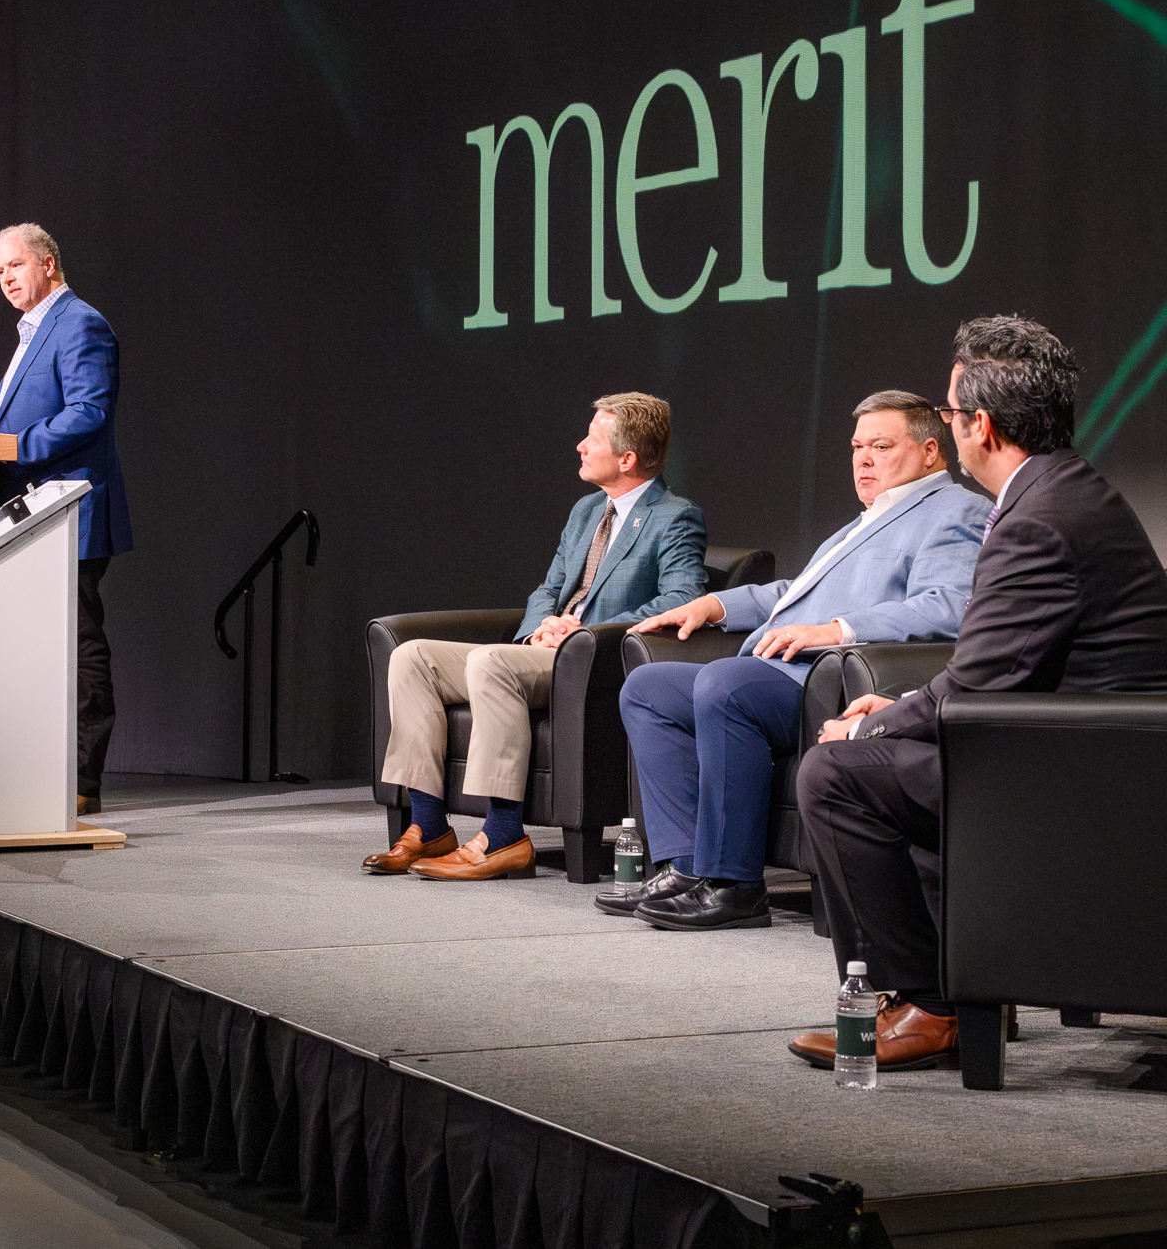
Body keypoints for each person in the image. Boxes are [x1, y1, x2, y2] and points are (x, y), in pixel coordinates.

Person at [788, 317, 1167, 1072]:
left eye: (952, 412)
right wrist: (898, 709)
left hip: (1091, 779)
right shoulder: (1065, 489)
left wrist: (871, 728)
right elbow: (1000, 665)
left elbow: (980, 682)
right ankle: (951, 987)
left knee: (834, 775)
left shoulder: (1038, 521)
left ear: (980, 426)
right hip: (1087, 749)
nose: (951, 424)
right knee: (884, 752)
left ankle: (927, 1007)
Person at [609, 392, 987, 930]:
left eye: (881, 447)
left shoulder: (956, 510)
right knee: (647, 688)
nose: (863, 459)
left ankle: (734, 885)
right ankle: (685, 867)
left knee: (725, 684)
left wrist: (837, 629)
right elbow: (797, 592)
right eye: (857, 447)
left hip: (828, 679)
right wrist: (715, 605)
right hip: (782, 669)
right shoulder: (865, 519)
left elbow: (946, 605)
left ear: (930, 451)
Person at [368, 393, 707, 881]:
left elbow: (683, 598)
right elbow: (549, 588)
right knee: (412, 657)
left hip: (594, 663)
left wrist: (583, 631)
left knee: (490, 662)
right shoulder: (587, 511)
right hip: (545, 652)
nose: (580, 446)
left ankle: (504, 834)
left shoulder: (674, 516)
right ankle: (429, 825)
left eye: (592, 439)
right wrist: (539, 629)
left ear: (627, 459)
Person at [0, 223, 132, 814]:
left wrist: (10, 448)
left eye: (15, 266)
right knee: (40, 650)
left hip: (68, 512)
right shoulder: (32, 332)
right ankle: (40, 771)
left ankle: (83, 782)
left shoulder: (80, 324)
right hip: (25, 515)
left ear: (48, 264)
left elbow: (89, 412)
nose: (6, 279)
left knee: (79, 646)